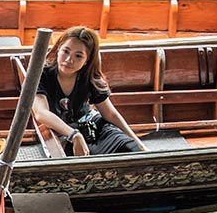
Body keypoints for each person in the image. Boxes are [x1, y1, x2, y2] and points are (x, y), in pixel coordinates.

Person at [32, 26, 147, 156]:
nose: (69, 59)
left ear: (87, 60)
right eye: (66, 51)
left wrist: (137, 142)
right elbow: (41, 113)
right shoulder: (42, 74)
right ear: (58, 49)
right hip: (64, 132)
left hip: (93, 126)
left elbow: (110, 114)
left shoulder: (89, 77)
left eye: (78, 56)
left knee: (130, 148)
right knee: (90, 161)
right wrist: (74, 135)